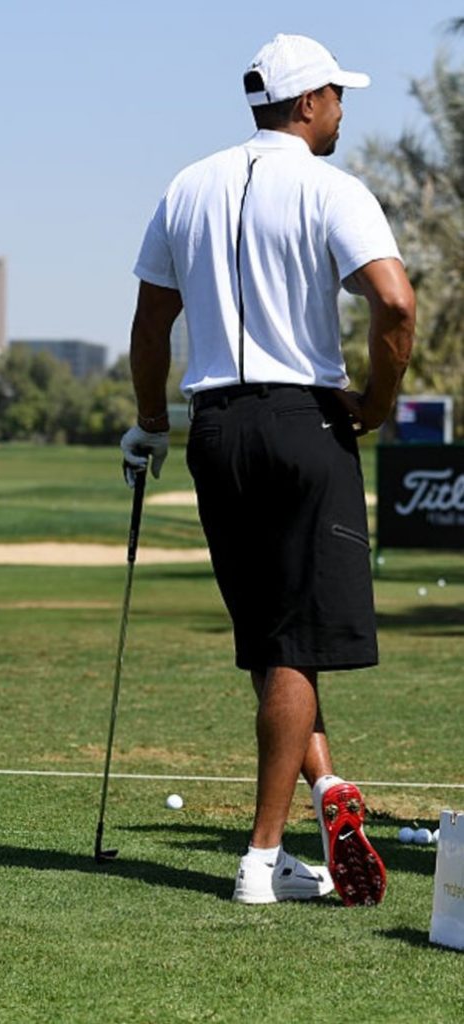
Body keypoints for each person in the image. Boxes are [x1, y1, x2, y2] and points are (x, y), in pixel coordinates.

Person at [121, 33, 415, 906]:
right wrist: (380, 401)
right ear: (307, 104)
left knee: (270, 633)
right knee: (290, 638)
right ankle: (261, 857)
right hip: (303, 421)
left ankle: (325, 790)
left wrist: (147, 423)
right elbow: (395, 301)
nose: (341, 110)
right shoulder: (331, 188)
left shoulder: (187, 185)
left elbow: (148, 329)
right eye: (335, 95)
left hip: (216, 429)